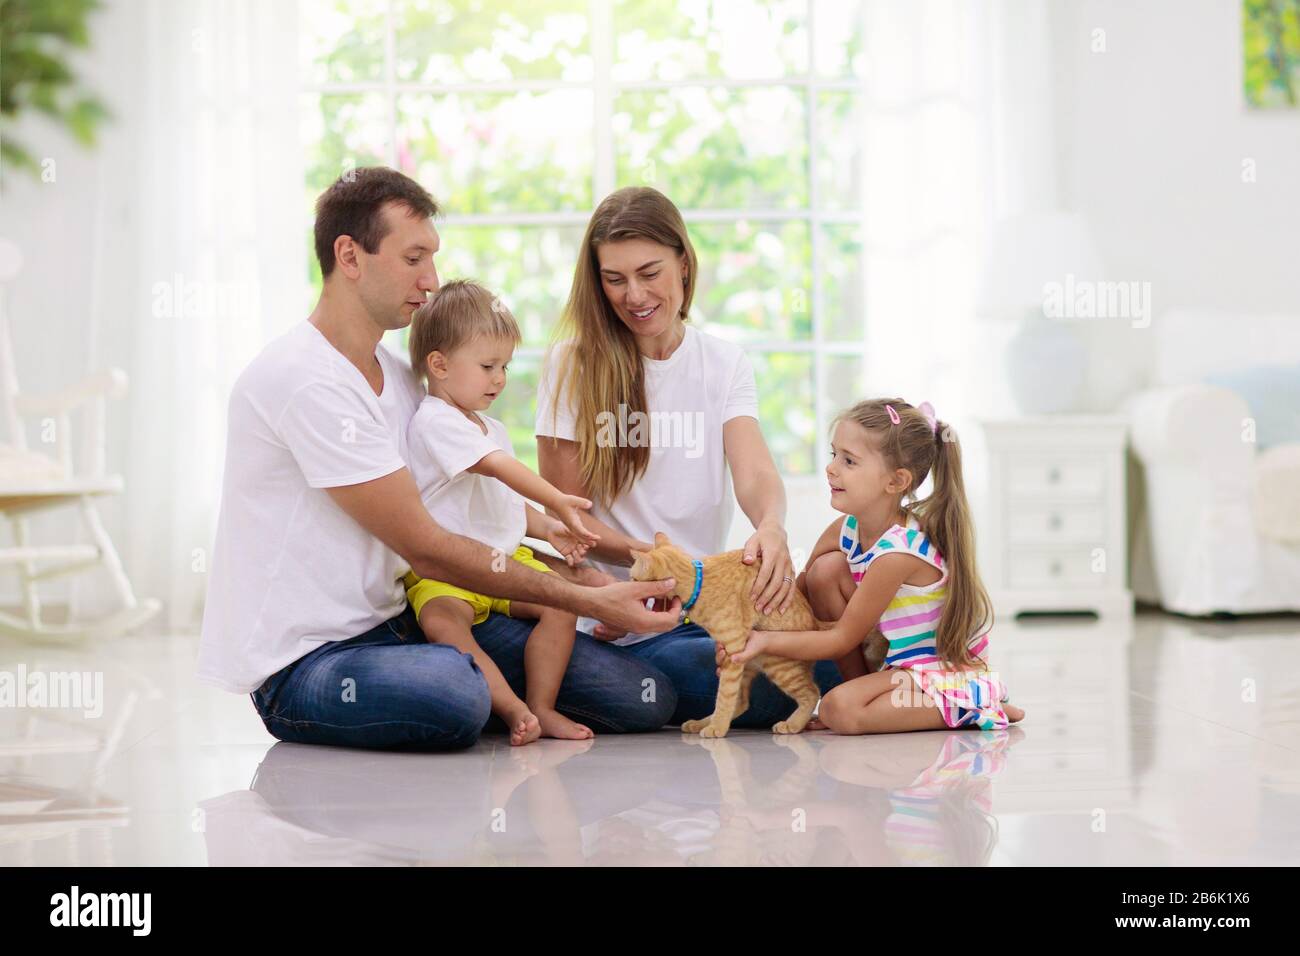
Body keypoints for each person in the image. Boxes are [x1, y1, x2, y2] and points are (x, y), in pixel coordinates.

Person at [197, 168, 681, 751]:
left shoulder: (405, 380)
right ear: (349, 255)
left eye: (433, 259)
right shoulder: (303, 380)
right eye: (413, 258)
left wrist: (570, 564)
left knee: (638, 694)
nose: (430, 281)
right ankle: (473, 688)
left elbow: (472, 500)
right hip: (310, 659)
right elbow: (425, 544)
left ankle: (496, 693)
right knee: (455, 694)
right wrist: (586, 596)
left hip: (400, 621)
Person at [535, 186, 840, 729]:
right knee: (677, 682)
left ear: (683, 262)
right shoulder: (570, 365)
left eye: (649, 272)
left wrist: (770, 526)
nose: (634, 295)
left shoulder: (722, 362)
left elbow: (755, 472)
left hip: (700, 608)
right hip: (611, 614)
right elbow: (569, 517)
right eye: (614, 279)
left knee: (830, 649)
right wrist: (654, 573)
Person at [729, 398, 1027, 734]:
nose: (832, 468)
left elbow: (841, 639)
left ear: (896, 481)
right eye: (834, 455)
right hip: (896, 668)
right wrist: (745, 615)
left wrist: (763, 641)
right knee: (824, 573)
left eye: (849, 461)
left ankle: (973, 701)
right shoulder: (847, 529)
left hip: (936, 671)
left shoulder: (897, 554)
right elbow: (801, 590)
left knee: (838, 709)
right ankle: (865, 694)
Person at [402, 278, 601, 745]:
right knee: (445, 625)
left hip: (505, 565)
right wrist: (556, 498)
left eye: (505, 366)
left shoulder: (488, 426)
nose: (500, 378)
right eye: (488, 365)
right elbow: (499, 470)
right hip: (447, 571)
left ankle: (542, 707)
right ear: (440, 364)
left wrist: (548, 527)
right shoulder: (435, 421)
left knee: (561, 603)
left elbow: (506, 502)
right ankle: (512, 709)